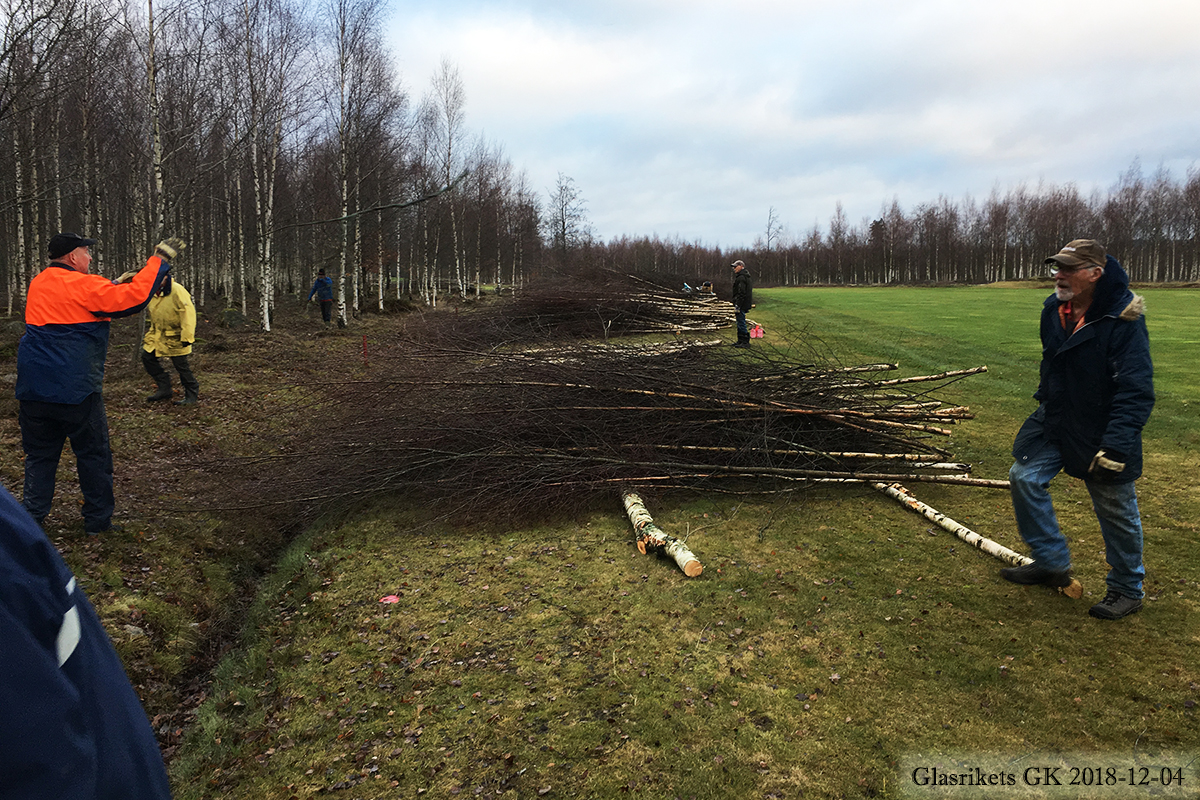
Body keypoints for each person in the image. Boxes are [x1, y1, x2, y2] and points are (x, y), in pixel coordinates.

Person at [1001, 239, 1155, 620]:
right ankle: (1051, 561)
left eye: (1069, 269)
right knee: (1023, 476)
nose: (1059, 275)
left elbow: (1136, 390)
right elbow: (1052, 362)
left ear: (1095, 274)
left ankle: (1127, 588)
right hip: (1058, 417)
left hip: (1103, 429)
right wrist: (1046, 399)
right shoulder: (1053, 310)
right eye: (1058, 267)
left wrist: (1115, 447)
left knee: (1115, 509)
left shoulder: (1124, 319)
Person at [0, 483, 172, 798]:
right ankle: (91, 517)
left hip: (101, 771)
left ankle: (74, 514)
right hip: (115, 759)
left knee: (59, 456)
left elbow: (39, 761)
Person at [16, 232, 180, 535]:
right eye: (85, 252)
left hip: (33, 388)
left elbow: (79, 301)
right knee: (93, 456)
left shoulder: (39, 282)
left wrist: (114, 284)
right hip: (75, 389)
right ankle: (97, 522)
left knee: (39, 456)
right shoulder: (85, 285)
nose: (89, 257)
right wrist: (158, 262)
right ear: (72, 257)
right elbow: (133, 300)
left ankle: (30, 522)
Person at [141, 275, 200, 406]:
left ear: (166, 277)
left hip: (176, 336)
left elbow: (188, 313)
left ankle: (191, 393)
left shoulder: (177, 290)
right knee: (147, 358)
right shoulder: (152, 291)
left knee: (181, 366)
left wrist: (187, 336)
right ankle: (164, 388)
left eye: (159, 277)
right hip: (157, 335)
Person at [731, 259, 753, 347]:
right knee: (739, 321)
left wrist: (738, 305)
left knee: (741, 322)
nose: (734, 269)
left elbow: (741, 293)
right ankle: (740, 340)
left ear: (741, 266)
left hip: (741, 304)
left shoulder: (741, 278)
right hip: (744, 303)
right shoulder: (745, 276)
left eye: (735, 267)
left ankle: (745, 342)